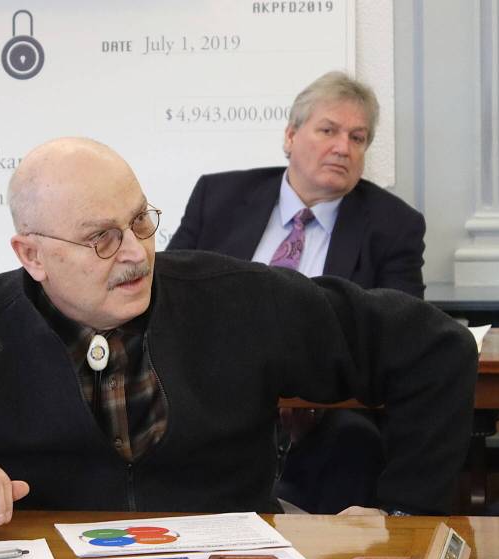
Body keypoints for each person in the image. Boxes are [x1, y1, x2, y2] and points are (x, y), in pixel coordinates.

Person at [0, 137, 477, 530]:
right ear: (32, 255)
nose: (138, 253)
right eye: (101, 238)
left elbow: (433, 348)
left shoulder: (233, 299)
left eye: (141, 221)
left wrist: (406, 515)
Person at [167, 71, 426, 513]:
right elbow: (169, 297)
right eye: (328, 130)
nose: (343, 147)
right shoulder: (220, 197)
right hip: (216, 394)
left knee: (353, 442)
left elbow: (399, 329)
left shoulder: (392, 225)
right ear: (290, 136)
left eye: (358, 137)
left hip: (328, 404)